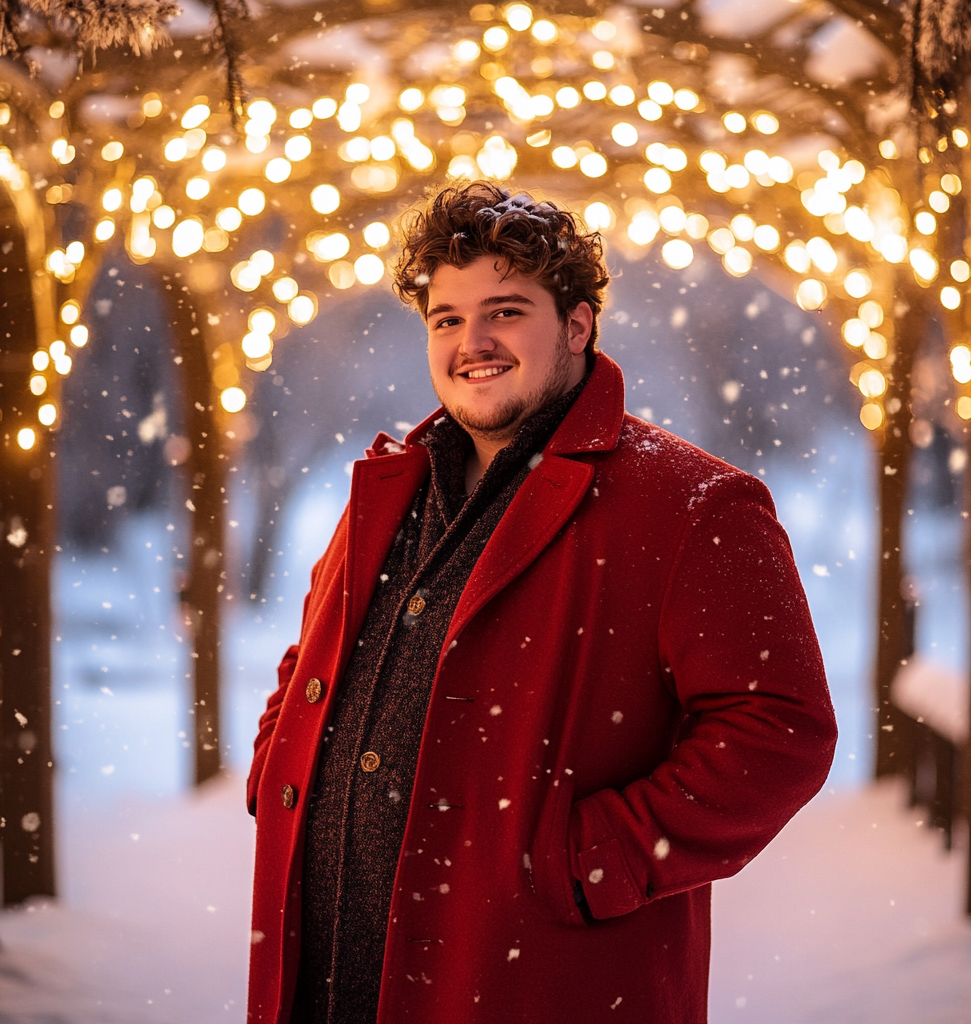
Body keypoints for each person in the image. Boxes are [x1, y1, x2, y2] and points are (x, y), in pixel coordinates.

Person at [246, 181, 837, 1024]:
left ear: (577, 326)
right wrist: (283, 770)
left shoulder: (694, 503)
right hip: (327, 970)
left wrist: (589, 859)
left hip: (533, 978)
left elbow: (780, 732)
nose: (471, 342)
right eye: (446, 319)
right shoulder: (387, 490)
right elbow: (313, 656)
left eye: (505, 310)